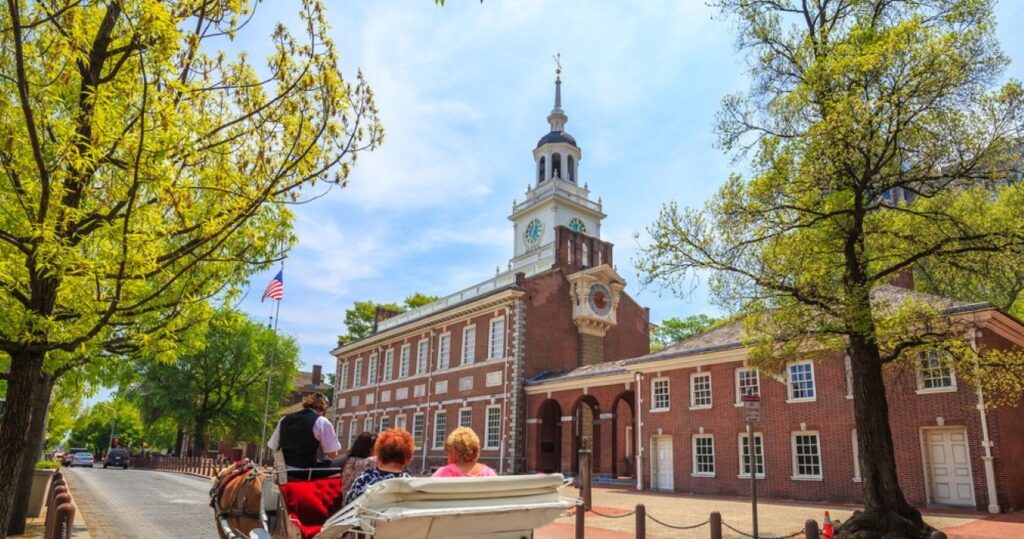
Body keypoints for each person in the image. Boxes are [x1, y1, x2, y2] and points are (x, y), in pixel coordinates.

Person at [267, 393, 343, 478]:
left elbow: (274, 447)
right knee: (344, 460)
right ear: (323, 409)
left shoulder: (284, 419)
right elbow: (333, 454)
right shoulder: (321, 421)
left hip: (286, 471)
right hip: (308, 473)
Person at [344, 428, 414, 504]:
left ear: (378, 454)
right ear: (409, 458)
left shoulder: (364, 479)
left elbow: (349, 504)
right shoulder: (413, 485)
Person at [432, 427, 497, 478]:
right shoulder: (489, 473)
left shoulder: (443, 473)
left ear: (458, 453)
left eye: (449, 452)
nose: (447, 458)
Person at [341, 432, 377, 500]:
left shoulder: (350, 460)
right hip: (359, 502)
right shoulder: (370, 461)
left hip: (347, 501)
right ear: (370, 448)